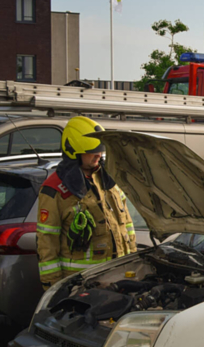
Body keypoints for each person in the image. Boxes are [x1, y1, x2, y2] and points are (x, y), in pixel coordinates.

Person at [36, 117, 137, 289]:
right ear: (74, 151)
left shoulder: (109, 181)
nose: (99, 155)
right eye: (92, 151)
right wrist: (54, 286)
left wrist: (134, 263)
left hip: (119, 277)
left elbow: (127, 225)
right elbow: (47, 243)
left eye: (101, 150)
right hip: (82, 283)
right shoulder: (55, 190)